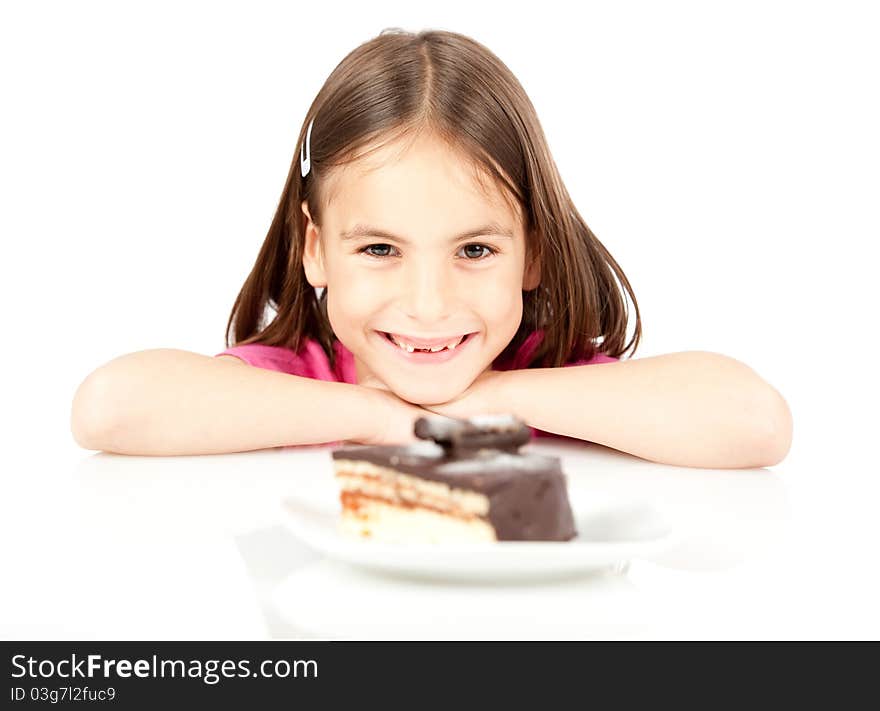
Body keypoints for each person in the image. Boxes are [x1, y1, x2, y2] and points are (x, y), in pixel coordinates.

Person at [71, 29, 792, 468]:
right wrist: (379, 416)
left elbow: (756, 423)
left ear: (533, 253)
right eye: (381, 248)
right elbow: (108, 408)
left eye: (474, 250)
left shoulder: (554, 378)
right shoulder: (301, 377)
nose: (428, 304)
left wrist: (495, 397)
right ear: (315, 250)